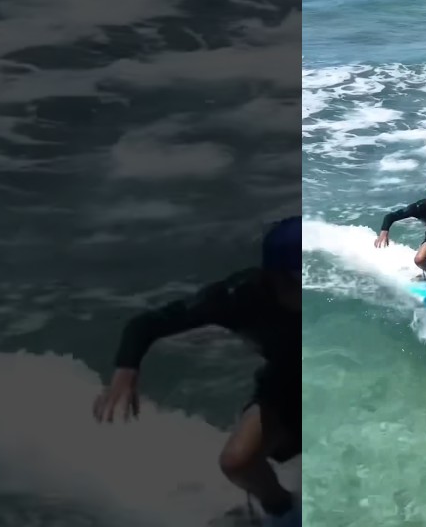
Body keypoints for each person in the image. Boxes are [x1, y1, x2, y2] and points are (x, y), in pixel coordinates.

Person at [92, 217, 302, 527]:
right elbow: (147, 324)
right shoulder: (239, 296)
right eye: (303, 280)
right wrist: (126, 371)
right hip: (287, 385)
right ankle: (284, 511)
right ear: (275, 278)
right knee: (237, 462)